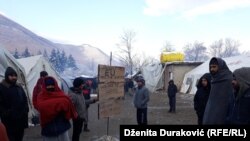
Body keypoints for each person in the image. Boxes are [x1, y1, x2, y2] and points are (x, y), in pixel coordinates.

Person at [36, 76, 77, 141]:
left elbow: (66, 102)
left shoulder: (60, 94)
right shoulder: (41, 96)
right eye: (48, 85)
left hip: (62, 128)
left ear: (55, 85)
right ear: (44, 86)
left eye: (52, 85)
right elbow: (41, 107)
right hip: (48, 129)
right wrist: (59, 105)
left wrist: (53, 105)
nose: (50, 87)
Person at [0, 67, 29, 141]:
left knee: (20, 137)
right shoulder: (1, 87)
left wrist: (26, 109)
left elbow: (25, 98)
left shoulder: (18, 86)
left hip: (21, 120)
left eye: (15, 75)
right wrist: (8, 113)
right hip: (9, 122)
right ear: (7, 76)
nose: (14, 77)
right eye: (11, 75)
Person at [203, 57, 234, 124]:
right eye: (210, 67)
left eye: (214, 67)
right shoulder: (214, 79)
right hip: (212, 111)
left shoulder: (229, 79)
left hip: (224, 114)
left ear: (220, 67)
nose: (212, 69)